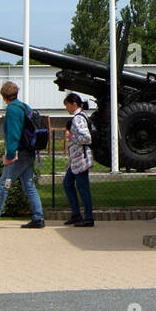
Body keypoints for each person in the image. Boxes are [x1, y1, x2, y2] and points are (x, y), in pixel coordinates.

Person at [0, 81, 44, 229]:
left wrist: (10, 155)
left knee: (3, 184)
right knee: (29, 185)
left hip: (18, 154)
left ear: (4, 96)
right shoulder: (25, 106)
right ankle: (38, 217)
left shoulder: (12, 110)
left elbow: (13, 134)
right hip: (30, 152)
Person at [62, 93, 94, 227]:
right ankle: (76, 214)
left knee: (82, 187)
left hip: (80, 158)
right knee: (68, 183)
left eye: (67, 105)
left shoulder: (78, 119)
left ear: (73, 104)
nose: (67, 108)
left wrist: (72, 138)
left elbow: (87, 138)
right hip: (76, 159)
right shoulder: (82, 116)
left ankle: (88, 217)